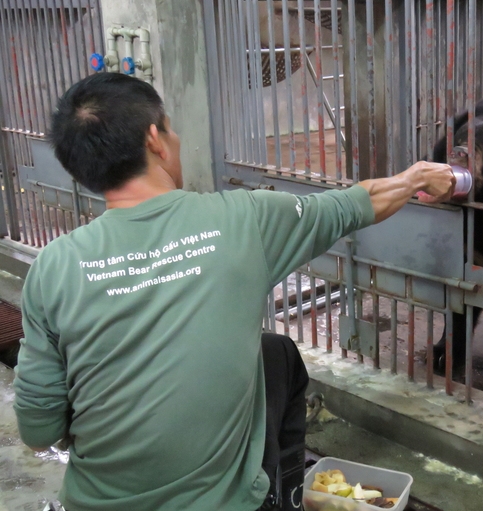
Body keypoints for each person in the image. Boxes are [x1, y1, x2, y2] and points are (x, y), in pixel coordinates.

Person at [12, 73, 455, 511]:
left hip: (93, 501)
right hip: (219, 502)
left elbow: (38, 430)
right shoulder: (244, 220)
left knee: (273, 352)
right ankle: (282, 497)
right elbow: (355, 205)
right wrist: (416, 178)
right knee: (277, 358)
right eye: (170, 127)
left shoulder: (53, 267)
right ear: (155, 138)